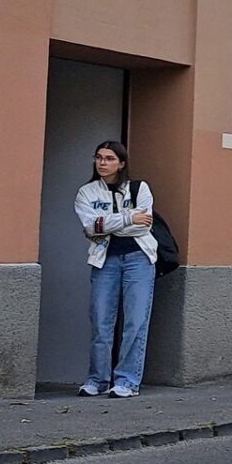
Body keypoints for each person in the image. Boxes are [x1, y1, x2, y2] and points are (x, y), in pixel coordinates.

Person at [74, 141, 156, 397]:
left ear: (121, 163)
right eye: (99, 157)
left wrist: (105, 225)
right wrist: (129, 218)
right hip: (104, 259)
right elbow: (90, 226)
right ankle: (97, 379)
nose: (102, 162)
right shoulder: (86, 192)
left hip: (138, 258)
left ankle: (127, 381)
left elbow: (143, 226)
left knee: (135, 321)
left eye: (109, 158)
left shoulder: (139, 188)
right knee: (101, 320)